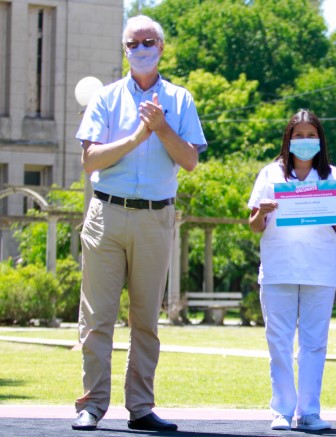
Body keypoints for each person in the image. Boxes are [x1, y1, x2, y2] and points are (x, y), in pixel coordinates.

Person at [72, 15, 206, 432]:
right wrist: (134, 139)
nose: (142, 47)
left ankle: (141, 407)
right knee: (97, 318)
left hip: (155, 216)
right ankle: (92, 404)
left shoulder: (180, 100)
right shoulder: (107, 98)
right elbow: (89, 160)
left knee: (146, 318)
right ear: (124, 50)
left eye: (150, 41)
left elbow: (189, 160)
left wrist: (161, 127)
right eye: (134, 43)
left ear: (162, 47)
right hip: (106, 214)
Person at [248, 109, 336, 431]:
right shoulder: (270, 174)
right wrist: (262, 212)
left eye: (311, 135)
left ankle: (309, 411)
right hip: (279, 267)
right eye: (299, 135)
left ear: (320, 140)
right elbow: (254, 226)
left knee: (314, 343)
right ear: (288, 139)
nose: (305, 141)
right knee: (278, 341)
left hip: (319, 270)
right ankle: (281, 410)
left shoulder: (332, 176)